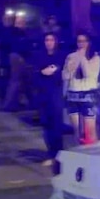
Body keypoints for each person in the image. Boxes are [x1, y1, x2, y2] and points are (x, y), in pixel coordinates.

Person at [63, 33, 100, 144]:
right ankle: (79, 154)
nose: (81, 44)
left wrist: (82, 57)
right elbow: (65, 76)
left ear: (89, 42)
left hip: (88, 96)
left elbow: (88, 74)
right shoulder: (71, 56)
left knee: (90, 131)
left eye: (84, 41)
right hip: (73, 95)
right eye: (79, 41)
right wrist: (71, 68)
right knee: (77, 131)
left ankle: (93, 156)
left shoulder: (95, 58)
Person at [34, 33, 66, 165]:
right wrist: (41, 72)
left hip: (56, 92)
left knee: (56, 123)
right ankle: (51, 153)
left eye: (52, 40)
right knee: (46, 124)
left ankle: (59, 153)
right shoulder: (39, 55)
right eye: (47, 40)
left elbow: (66, 72)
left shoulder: (61, 56)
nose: (49, 42)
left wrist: (56, 71)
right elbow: (33, 74)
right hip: (43, 93)